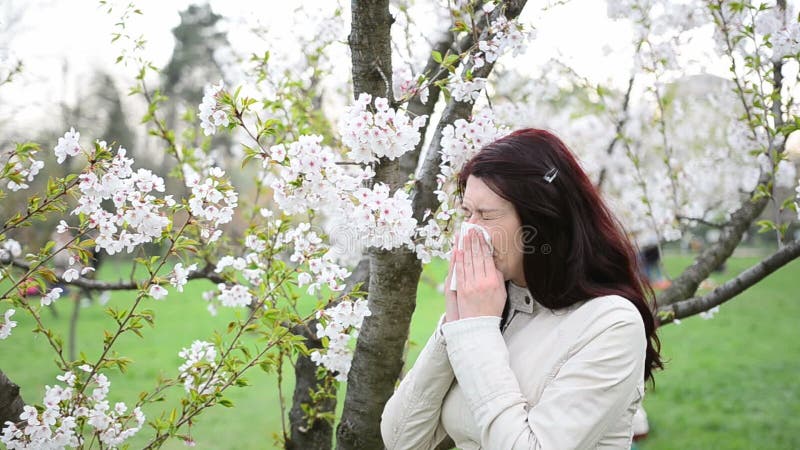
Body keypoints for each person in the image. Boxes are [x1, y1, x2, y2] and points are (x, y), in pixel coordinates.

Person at [381, 129, 662, 449]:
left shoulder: (610, 323)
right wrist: (454, 324)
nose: (471, 232)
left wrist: (474, 332)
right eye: (467, 214)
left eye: (486, 215)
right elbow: (401, 439)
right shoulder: (495, 307)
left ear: (541, 222)